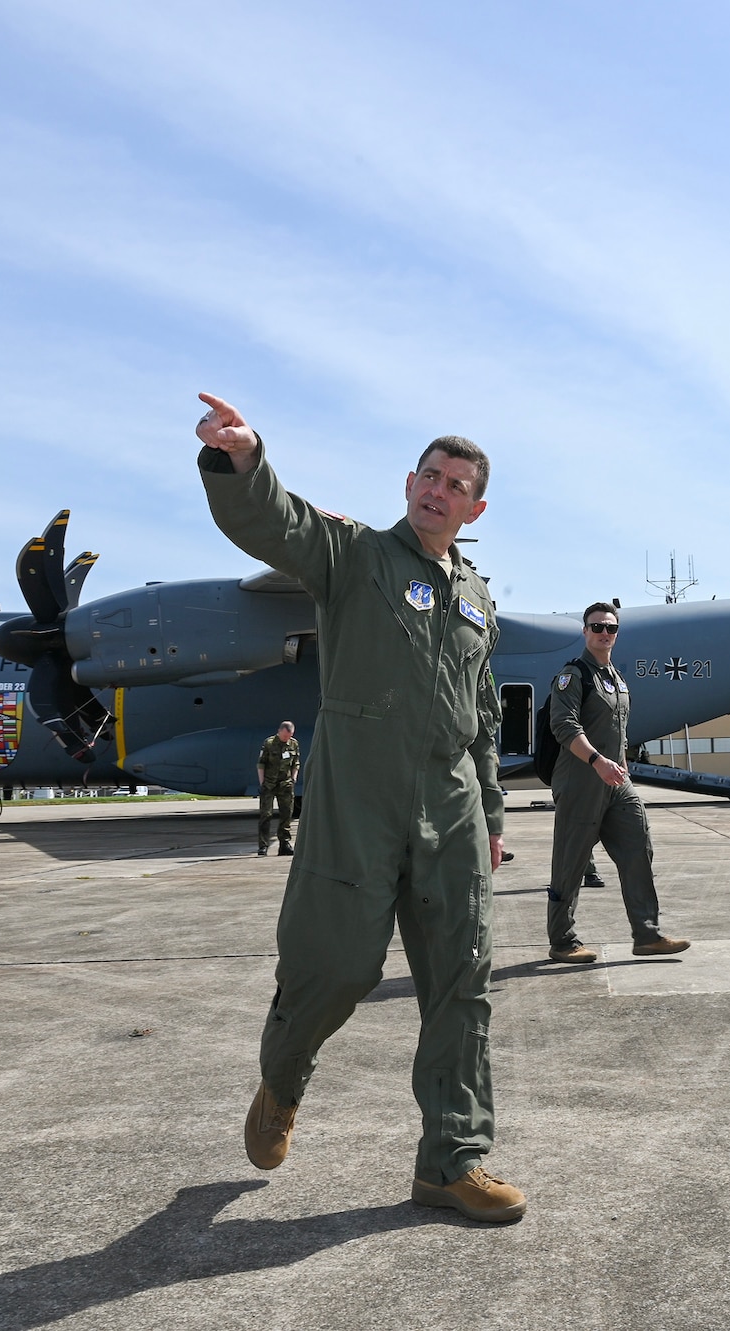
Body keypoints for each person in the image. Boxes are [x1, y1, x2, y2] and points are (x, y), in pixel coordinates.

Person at [194, 393, 525, 1224]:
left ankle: (452, 1159)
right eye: (430, 476)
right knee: (337, 963)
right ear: (409, 481)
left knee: (462, 977)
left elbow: (483, 715)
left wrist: (490, 810)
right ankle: (284, 1076)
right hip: (359, 796)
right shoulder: (355, 555)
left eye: (457, 486)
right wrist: (243, 459)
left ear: (474, 507)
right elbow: (279, 524)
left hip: (452, 805)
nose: (439, 491)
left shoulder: (479, 598)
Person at [545, 602, 690, 965]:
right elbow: (564, 726)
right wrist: (597, 760)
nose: (604, 633)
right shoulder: (573, 675)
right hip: (582, 780)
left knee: (639, 847)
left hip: (615, 781)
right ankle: (562, 941)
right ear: (585, 631)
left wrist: (620, 763)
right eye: (597, 627)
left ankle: (647, 935)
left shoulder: (615, 677)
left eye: (610, 628)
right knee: (571, 863)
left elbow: (618, 729)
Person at [255, 721, 300, 856]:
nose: (287, 739)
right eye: (285, 736)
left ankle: (284, 843)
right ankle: (263, 845)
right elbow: (261, 764)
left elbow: (296, 763)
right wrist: (262, 782)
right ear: (280, 731)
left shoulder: (293, 744)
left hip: (285, 784)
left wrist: (293, 778)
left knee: (286, 814)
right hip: (269, 784)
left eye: (289, 736)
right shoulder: (269, 743)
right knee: (266, 815)